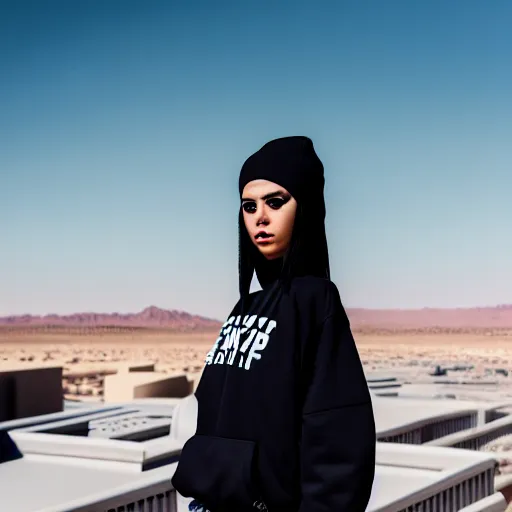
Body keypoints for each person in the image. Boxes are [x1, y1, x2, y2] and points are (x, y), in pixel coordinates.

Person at [172, 136, 376, 512]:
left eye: (276, 202)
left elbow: (338, 438)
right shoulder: (243, 308)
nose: (260, 218)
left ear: (307, 208)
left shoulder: (316, 301)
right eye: (249, 206)